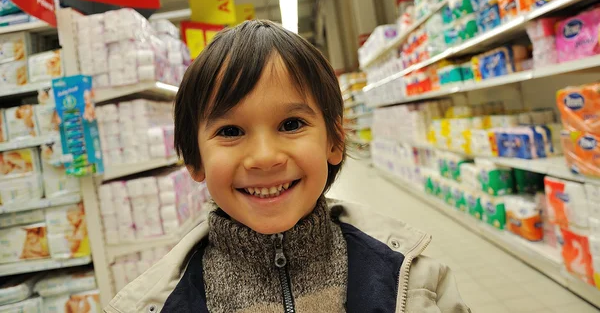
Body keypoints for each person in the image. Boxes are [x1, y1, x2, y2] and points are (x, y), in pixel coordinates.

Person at [104, 20, 470, 313]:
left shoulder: (413, 278)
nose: (265, 156)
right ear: (194, 160)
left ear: (334, 141)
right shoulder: (153, 302)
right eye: (231, 131)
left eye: (291, 125)